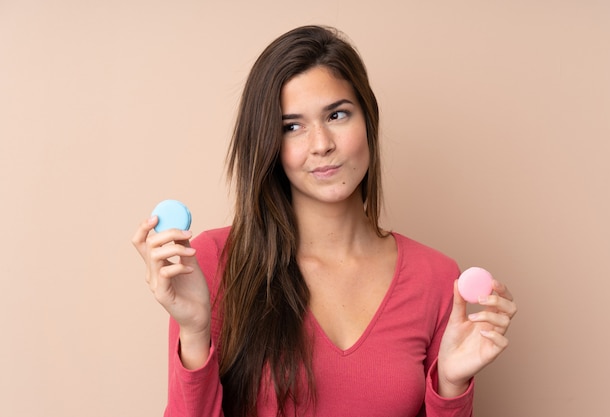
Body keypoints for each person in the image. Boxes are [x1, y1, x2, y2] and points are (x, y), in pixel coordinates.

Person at [132, 25, 517, 417]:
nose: (321, 144)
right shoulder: (215, 262)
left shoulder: (435, 276)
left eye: (337, 115)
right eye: (292, 126)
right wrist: (194, 333)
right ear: (269, 144)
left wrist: (450, 387)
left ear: (368, 120)